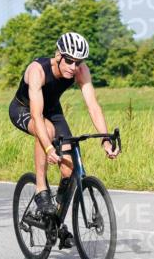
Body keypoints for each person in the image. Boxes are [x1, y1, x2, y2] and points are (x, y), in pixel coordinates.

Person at [9, 32, 119, 217]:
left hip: (52, 110)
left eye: (78, 62)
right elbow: (36, 115)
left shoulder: (81, 70)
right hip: (24, 109)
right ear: (59, 55)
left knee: (69, 169)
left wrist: (106, 140)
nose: (73, 67)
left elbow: (93, 106)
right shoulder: (38, 70)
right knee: (46, 130)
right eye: (69, 61)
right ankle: (41, 190)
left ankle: (55, 220)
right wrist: (48, 148)